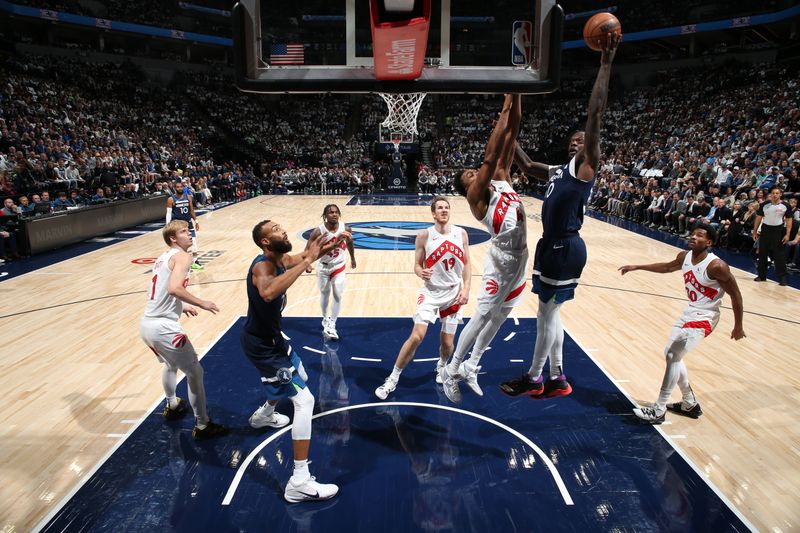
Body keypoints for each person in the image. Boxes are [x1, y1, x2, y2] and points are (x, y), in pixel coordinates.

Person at [499, 32, 620, 399]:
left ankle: (535, 377)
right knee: (550, 315)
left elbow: (595, 113)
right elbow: (526, 163)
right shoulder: (558, 170)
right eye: (573, 140)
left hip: (565, 246)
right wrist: (506, 129)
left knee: (545, 316)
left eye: (583, 141)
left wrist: (605, 64)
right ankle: (558, 376)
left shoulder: (586, 166)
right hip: (552, 245)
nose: (577, 142)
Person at [242, 219, 347, 503]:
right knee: (305, 401)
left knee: (301, 373)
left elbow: (303, 256)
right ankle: (298, 481)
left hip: (274, 340)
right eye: (276, 229)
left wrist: (329, 247)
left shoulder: (280, 259)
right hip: (263, 347)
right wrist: (308, 261)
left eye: (281, 226)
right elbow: (268, 292)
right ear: (265, 242)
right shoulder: (262, 266)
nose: (283, 230)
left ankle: (264, 414)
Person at [438, 93, 527, 404]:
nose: (474, 174)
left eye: (472, 172)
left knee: (501, 316)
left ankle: (472, 366)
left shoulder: (502, 179)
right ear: (467, 187)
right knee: (482, 314)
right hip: (501, 261)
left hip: (520, 260)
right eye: (468, 176)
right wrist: (504, 105)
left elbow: (512, 132)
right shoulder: (477, 197)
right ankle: (451, 371)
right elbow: (489, 157)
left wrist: (517, 95)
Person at [618, 224, 745, 423]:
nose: (693, 237)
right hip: (690, 312)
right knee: (671, 355)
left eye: (700, 236)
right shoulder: (684, 256)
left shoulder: (716, 266)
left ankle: (659, 409)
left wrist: (738, 326)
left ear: (709, 242)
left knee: (672, 354)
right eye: (693, 234)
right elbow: (667, 267)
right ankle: (689, 403)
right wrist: (638, 266)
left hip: (706, 317)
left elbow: (736, 295)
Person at [139, 220, 228, 440]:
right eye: (184, 232)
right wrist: (200, 302)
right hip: (164, 328)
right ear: (173, 238)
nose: (190, 234)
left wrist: (182, 305)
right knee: (195, 372)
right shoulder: (183, 256)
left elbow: (159, 290)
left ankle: (172, 404)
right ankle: (203, 424)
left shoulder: (163, 257)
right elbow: (174, 288)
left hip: (147, 325)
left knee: (170, 364)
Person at [375, 196, 471, 400]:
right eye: (440, 208)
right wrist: (420, 272)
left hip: (454, 293)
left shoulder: (461, 233)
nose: (444, 210)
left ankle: (442, 366)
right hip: (430, 293)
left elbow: (468, 264)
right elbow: (417, 265)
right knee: (417, 336)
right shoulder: (424, 235)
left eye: (447, 207)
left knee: (447, 344)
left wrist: (466, 289)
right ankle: (393, 378)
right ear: (433, 213)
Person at [304, 204, 356, 340]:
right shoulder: (318, 231)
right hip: (323, 266)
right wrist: (307, 264)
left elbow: (350, 244)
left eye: (336, 212)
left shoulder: (346, 228)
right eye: (331, 212)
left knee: (338, 294)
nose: (334, 214)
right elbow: (307, 249)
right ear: (325, 215)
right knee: (325, 294)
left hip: (338, 265)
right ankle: (325, 318)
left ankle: (332, 323)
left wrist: (353, 258)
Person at [753, 186, 793, 286]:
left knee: (778, 255)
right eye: (773, 193)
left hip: (778, 231)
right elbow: (758, 218)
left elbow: (789, 221)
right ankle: (762, 276)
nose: (774, 195)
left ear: (780, 194)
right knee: (762, 254)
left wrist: (787, 234)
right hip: (765, 230)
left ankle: (782, 278)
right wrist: (754, 232)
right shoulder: (764, 205)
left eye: (777, 193)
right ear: (770, 194)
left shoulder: (786, 206)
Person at [166, 181, 203, 271]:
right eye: (177, 187)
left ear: (183, 187)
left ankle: (195, 261)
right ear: (175, 188)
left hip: (188, 224)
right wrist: (167, 225)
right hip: (178, 226)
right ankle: (179, 262)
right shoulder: (171, 199)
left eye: (181, 187)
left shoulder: (188, 197)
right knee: (180, 245)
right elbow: (168, 213)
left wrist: (196, 221)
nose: (179, 188)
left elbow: (191, 210)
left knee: (194, 242)